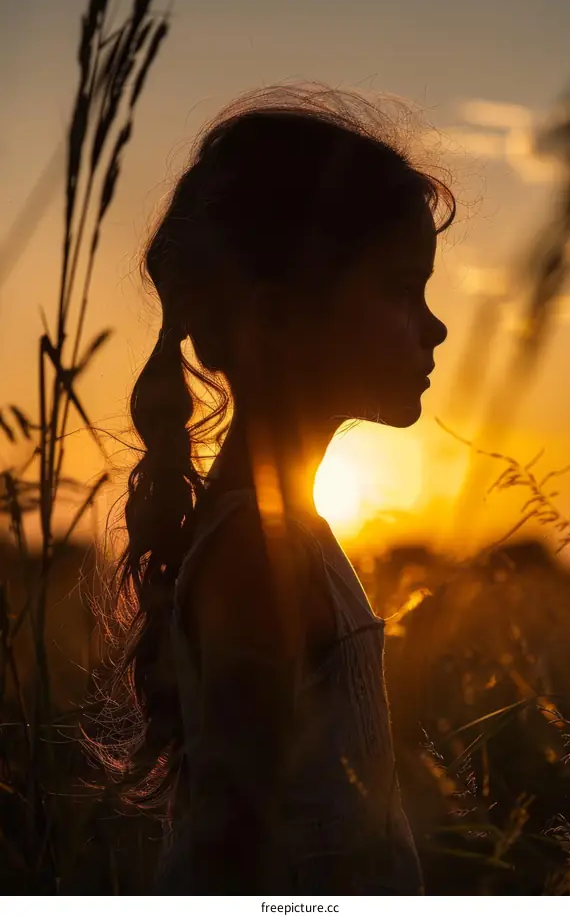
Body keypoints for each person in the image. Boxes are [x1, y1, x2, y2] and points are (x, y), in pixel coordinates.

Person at [105, 83, 455, 894]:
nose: (434, 326)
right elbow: (238, 860)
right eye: (402, 290)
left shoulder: (290, 533)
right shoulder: (259, 557)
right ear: (275, 320)